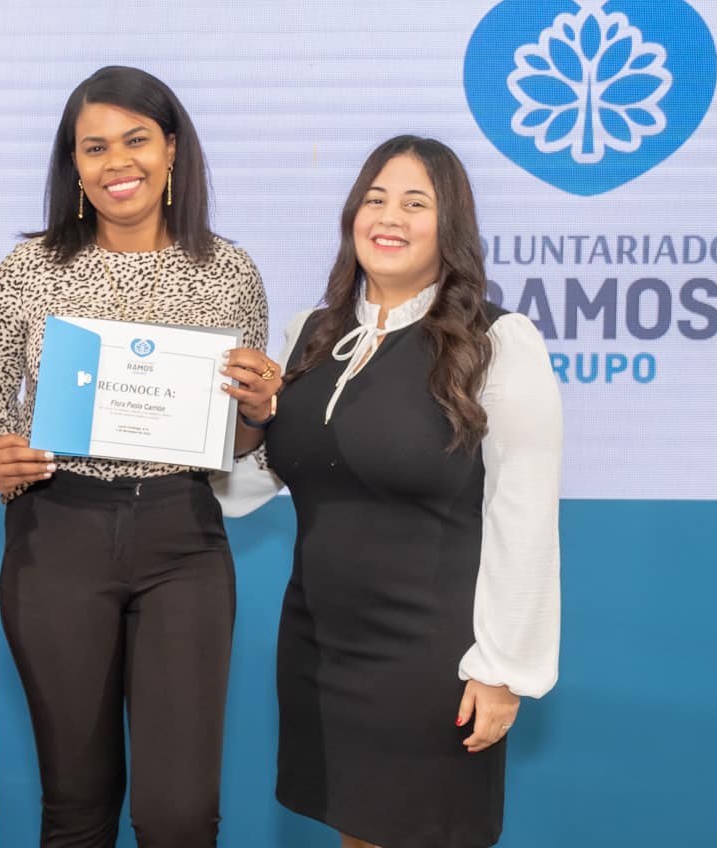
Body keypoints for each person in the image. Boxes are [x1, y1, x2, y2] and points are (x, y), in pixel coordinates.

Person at [0, 66, 279, 847]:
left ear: (171, 151)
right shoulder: (28, 269)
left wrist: (261, 411)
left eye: (135, 141)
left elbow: (236, 441)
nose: (116, 162)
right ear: (74, 166)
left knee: (179, 815)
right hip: (57, 532)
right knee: (77, 805)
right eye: (93, 148)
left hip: (181, 538)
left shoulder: (229, 272)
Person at [263, 135, 562, 848]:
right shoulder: (311, 334)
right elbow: (260, 478)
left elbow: (522, 515)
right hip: (317, 644)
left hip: (432, 659)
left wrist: (502, 670)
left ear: (448, 226)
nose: (388, 217)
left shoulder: (498, 341)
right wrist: (243, 420)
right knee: (357, 834)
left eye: (414, 202)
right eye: (375, 198)